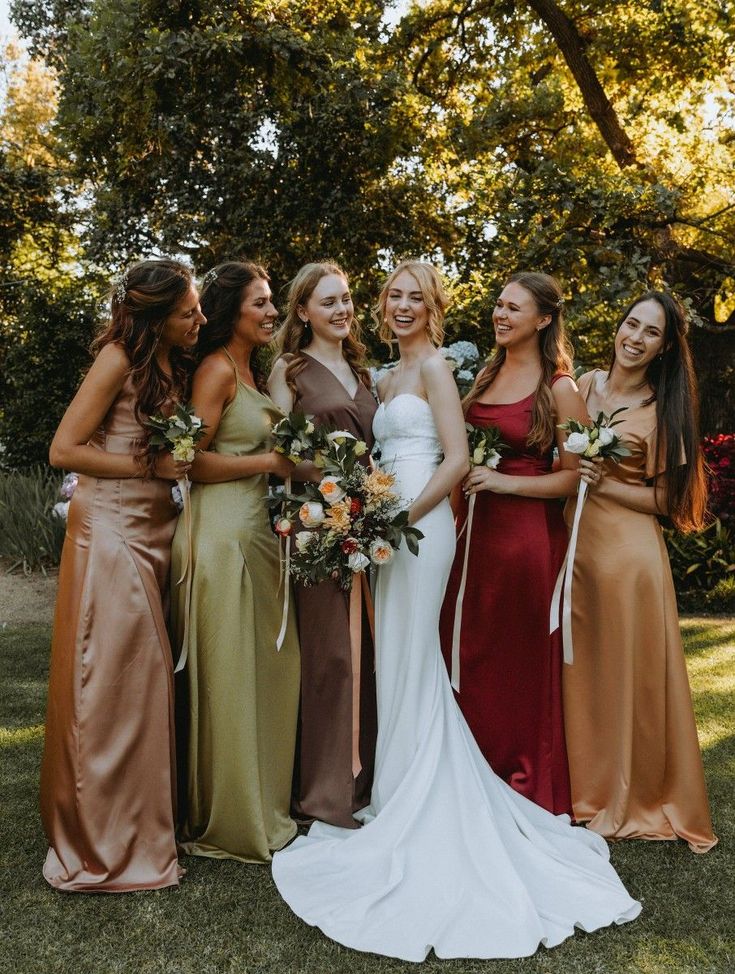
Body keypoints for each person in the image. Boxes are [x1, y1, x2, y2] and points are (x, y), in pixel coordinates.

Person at [271, 260, 641, 962]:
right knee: (400, 657)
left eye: (416, 296)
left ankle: (416, 795)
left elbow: (452, 459)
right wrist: (361, 514)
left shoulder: (439, 370)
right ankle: (392, 785)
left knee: (413, 650)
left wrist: (395, 520)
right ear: (383, 305)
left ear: (434, 307)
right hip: (380, 522)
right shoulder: (379, 378)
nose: (402, 305)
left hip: (422, 525)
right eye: (394, 295)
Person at [40, 258, 204, 891]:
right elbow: (64, 449)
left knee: (143, 680)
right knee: (108, 681)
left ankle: (143, 822)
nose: (199, 319)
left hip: (155, 529)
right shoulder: (117, 359)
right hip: (109, 528)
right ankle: (100, 837)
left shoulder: (171, 363)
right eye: (189, 311)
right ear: (158, 317)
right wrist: (148, 465)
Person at [563, 291, 717, 853]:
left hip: (628, 559)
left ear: (662, 348)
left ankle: (626, 793)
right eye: (632, 323)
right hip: (574, 550)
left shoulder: (663, 408)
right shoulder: (582, 387)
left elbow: (670, 504)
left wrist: (606, 483)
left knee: (625, 677)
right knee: (580, 674)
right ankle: (578, 786)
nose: (635, 337)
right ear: (618, 326)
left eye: (650, 333)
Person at [439, 272, 587, 814]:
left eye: (514, 308)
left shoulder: (560, 388)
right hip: (473, 538)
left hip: (527, 543)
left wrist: (504, 482)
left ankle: (519, 773)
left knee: (517, 661)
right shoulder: (485, 374)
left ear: (544, 320)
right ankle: (468, 765)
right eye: (499, 305)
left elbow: (574, 477)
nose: (500, 315)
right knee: (471, 652)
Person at [170, 260, 300, 863]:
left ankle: (265, 801)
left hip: (257, 534)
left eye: (271, 302)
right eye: (261, 304)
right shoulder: (217, 370)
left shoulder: (257, 367)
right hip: (221, 536)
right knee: (229, 675)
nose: (272, 311)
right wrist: (267, 464)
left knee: (263, 669)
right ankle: (232, 817)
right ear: (233, 312)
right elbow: (189, 462)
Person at [268, 262, 378, 829]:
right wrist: (337, 480)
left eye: (347, 298)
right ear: (303, 311)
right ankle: (321, 792)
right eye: (328, 301)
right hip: (313, 524)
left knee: (363, 652)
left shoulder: (364, 373)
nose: (342, 310)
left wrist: (368, 497)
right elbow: (278, 453)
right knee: (328, 655)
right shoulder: (289, 369)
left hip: (365, 527)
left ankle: (360, 783)